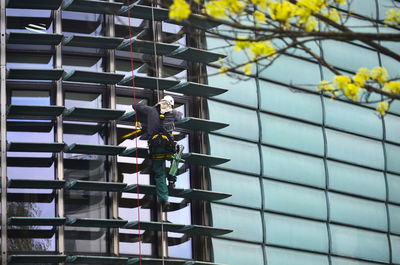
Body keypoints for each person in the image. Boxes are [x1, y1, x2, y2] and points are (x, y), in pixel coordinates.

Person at [134, 95, 183, 208]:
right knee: (177, 156)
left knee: (159, 174)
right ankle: (171, 179)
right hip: (168, 147)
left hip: (155, 149)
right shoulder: (174, 113)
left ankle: (164, 200)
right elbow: (180, 117)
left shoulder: (151, 110)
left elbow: (135, 106)